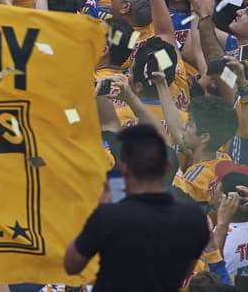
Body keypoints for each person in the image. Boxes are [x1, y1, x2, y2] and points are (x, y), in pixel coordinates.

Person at [64, 124, 209, 289]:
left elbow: (71, 265)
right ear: (168, 169)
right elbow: (185, 272)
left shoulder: (109, 216)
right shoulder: (195, 218)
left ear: (125, 169)